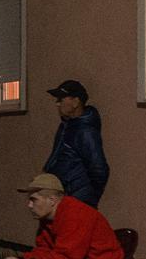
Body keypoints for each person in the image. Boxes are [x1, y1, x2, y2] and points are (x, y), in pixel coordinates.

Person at [1, 172, 124, 259]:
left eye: (33, 199)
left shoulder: (74, 214)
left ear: (52, 200)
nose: (29, 205)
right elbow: (44, 250)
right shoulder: (48, 218)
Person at [42, 79, 109, 207]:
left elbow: (99, 169)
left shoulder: (85, 131)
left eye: (61, 99)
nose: (57, 104)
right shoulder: (66, 127)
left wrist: (85, 199)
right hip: (60, 197)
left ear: (76, 102)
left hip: (75, 201)